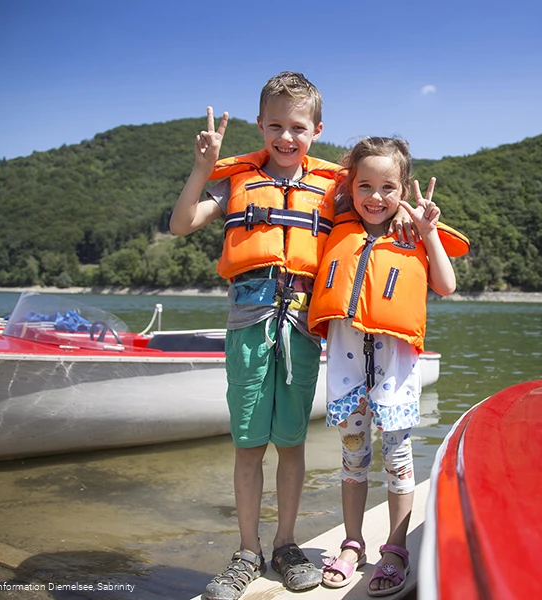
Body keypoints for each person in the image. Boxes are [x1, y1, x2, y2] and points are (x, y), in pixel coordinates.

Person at [170, 72, 412, 599]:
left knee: (292, 441)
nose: (285, 137)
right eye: (275, 125)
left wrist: (414, 225)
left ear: (316, 131)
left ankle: (284, 545)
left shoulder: (333, 188)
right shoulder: (234, 179)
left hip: (302, 324)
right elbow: (182, 222)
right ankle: (246, 552)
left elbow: (377, 212)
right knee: (248, 443)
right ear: (260, 125)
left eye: (297, 127)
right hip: (249, 321)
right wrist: (202, 167)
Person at [307, 137, 469, 596]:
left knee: (398, 459)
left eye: (388, 188)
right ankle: (353, 541)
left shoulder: (412, 233)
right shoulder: (338, 223)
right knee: (352, 460)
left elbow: (447, 284)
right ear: (351, 186)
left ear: (403, 189)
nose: (375, 197)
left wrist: (429, 230)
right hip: (347, 370)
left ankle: (395, 548)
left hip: (395, 375)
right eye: (365, 186)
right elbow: (326, 178)